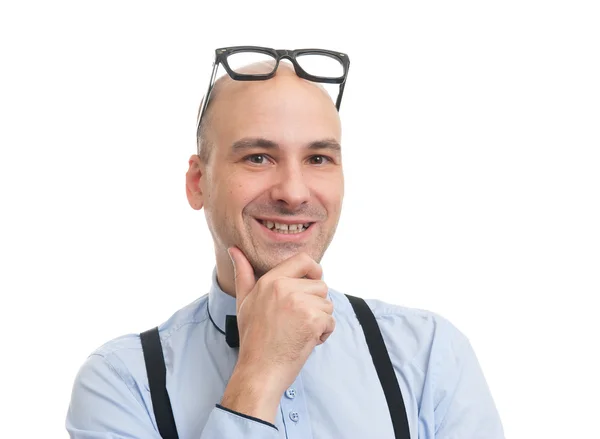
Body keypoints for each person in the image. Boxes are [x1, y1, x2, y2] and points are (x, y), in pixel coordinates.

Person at [66, 46, 504, 438]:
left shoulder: (429, 357)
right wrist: (259, 374)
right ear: (199, 182)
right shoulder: (122, 383)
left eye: (318, 158)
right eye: (258, 157)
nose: (293, 193)